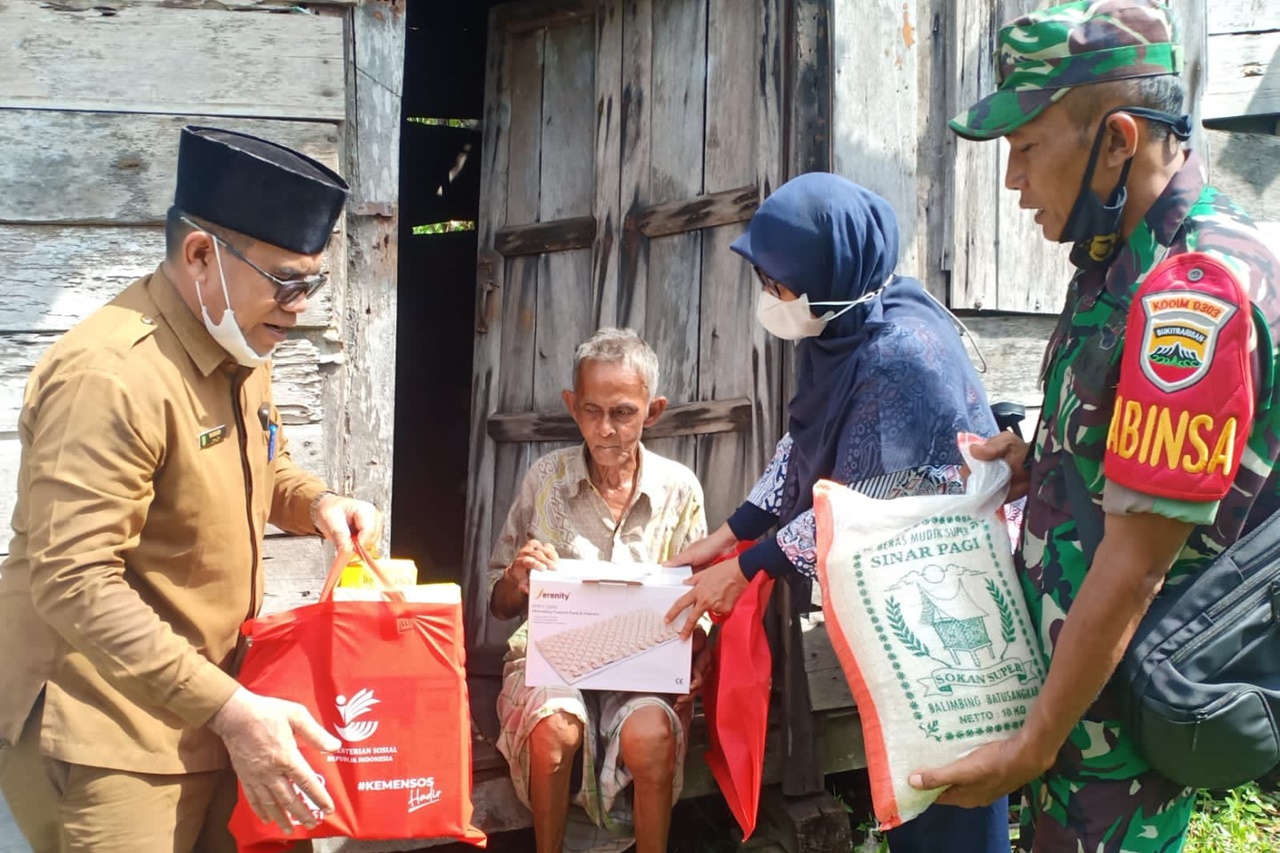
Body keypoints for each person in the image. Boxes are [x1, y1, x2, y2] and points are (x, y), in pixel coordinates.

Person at [909, 2, 1280, 850]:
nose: (1012, 182)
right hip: (1070, 712)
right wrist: (1041, 459)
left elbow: (1136, 562)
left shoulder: (1194, 290)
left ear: (1117, 140)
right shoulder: (1122, 260)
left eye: (1026, 148)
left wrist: (1032, 746)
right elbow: (1128, 458)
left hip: (1108, 745)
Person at [0, 126, 382, 853]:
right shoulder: (109, 376)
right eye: (285, 279)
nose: (300, 304)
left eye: (312, 282)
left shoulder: (241, 337)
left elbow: (260, 467)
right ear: (201, 254)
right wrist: (232, 708)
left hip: (215, 699)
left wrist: (317, 503)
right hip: (106, 723)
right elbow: (72, 580)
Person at [664, 172, 1011, 853]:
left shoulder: (900, 356)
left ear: (828, 275)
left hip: (944, 611)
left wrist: (750, 566)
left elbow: (869, 495)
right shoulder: (842, 334)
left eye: (777, 284)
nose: (768, 298)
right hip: (897, 600)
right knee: (912, 791)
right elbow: (804, 448)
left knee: (949, 794)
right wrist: (728, 533)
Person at [487, 327, 708, 853]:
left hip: (643, 667)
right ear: (571, 405)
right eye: (590, 411)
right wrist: (518, 579)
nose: (605, 429)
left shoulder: (680, 490)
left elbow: (700, 604)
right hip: (552, 660)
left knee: (650, 735)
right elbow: (498, 603)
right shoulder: (545, 479)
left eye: (623, 413)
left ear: (652, 412)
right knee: (556, 727)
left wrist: (694, 652)